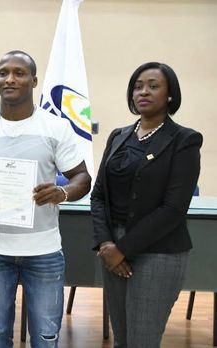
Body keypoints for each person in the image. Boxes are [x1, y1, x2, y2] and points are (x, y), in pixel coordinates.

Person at [0, 50, 91, 348]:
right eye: (3, 72)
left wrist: (62, 192)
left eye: (19, 73)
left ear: (34, 81)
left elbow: (83, 178)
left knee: (45, 337)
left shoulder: (56, 128)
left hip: (43, 251)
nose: (10, 79)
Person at [91, 62, 202, 347]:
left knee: (143, 341)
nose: (144, 91)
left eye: (153, 86)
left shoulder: (184, 140)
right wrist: (106, 244)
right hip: (112, 249)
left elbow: (174, 209)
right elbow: (99, 195)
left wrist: (122, 249)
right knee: (122, 340)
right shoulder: (118, 136)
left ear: (169, 95)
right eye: (138, 86)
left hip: (158, 252)